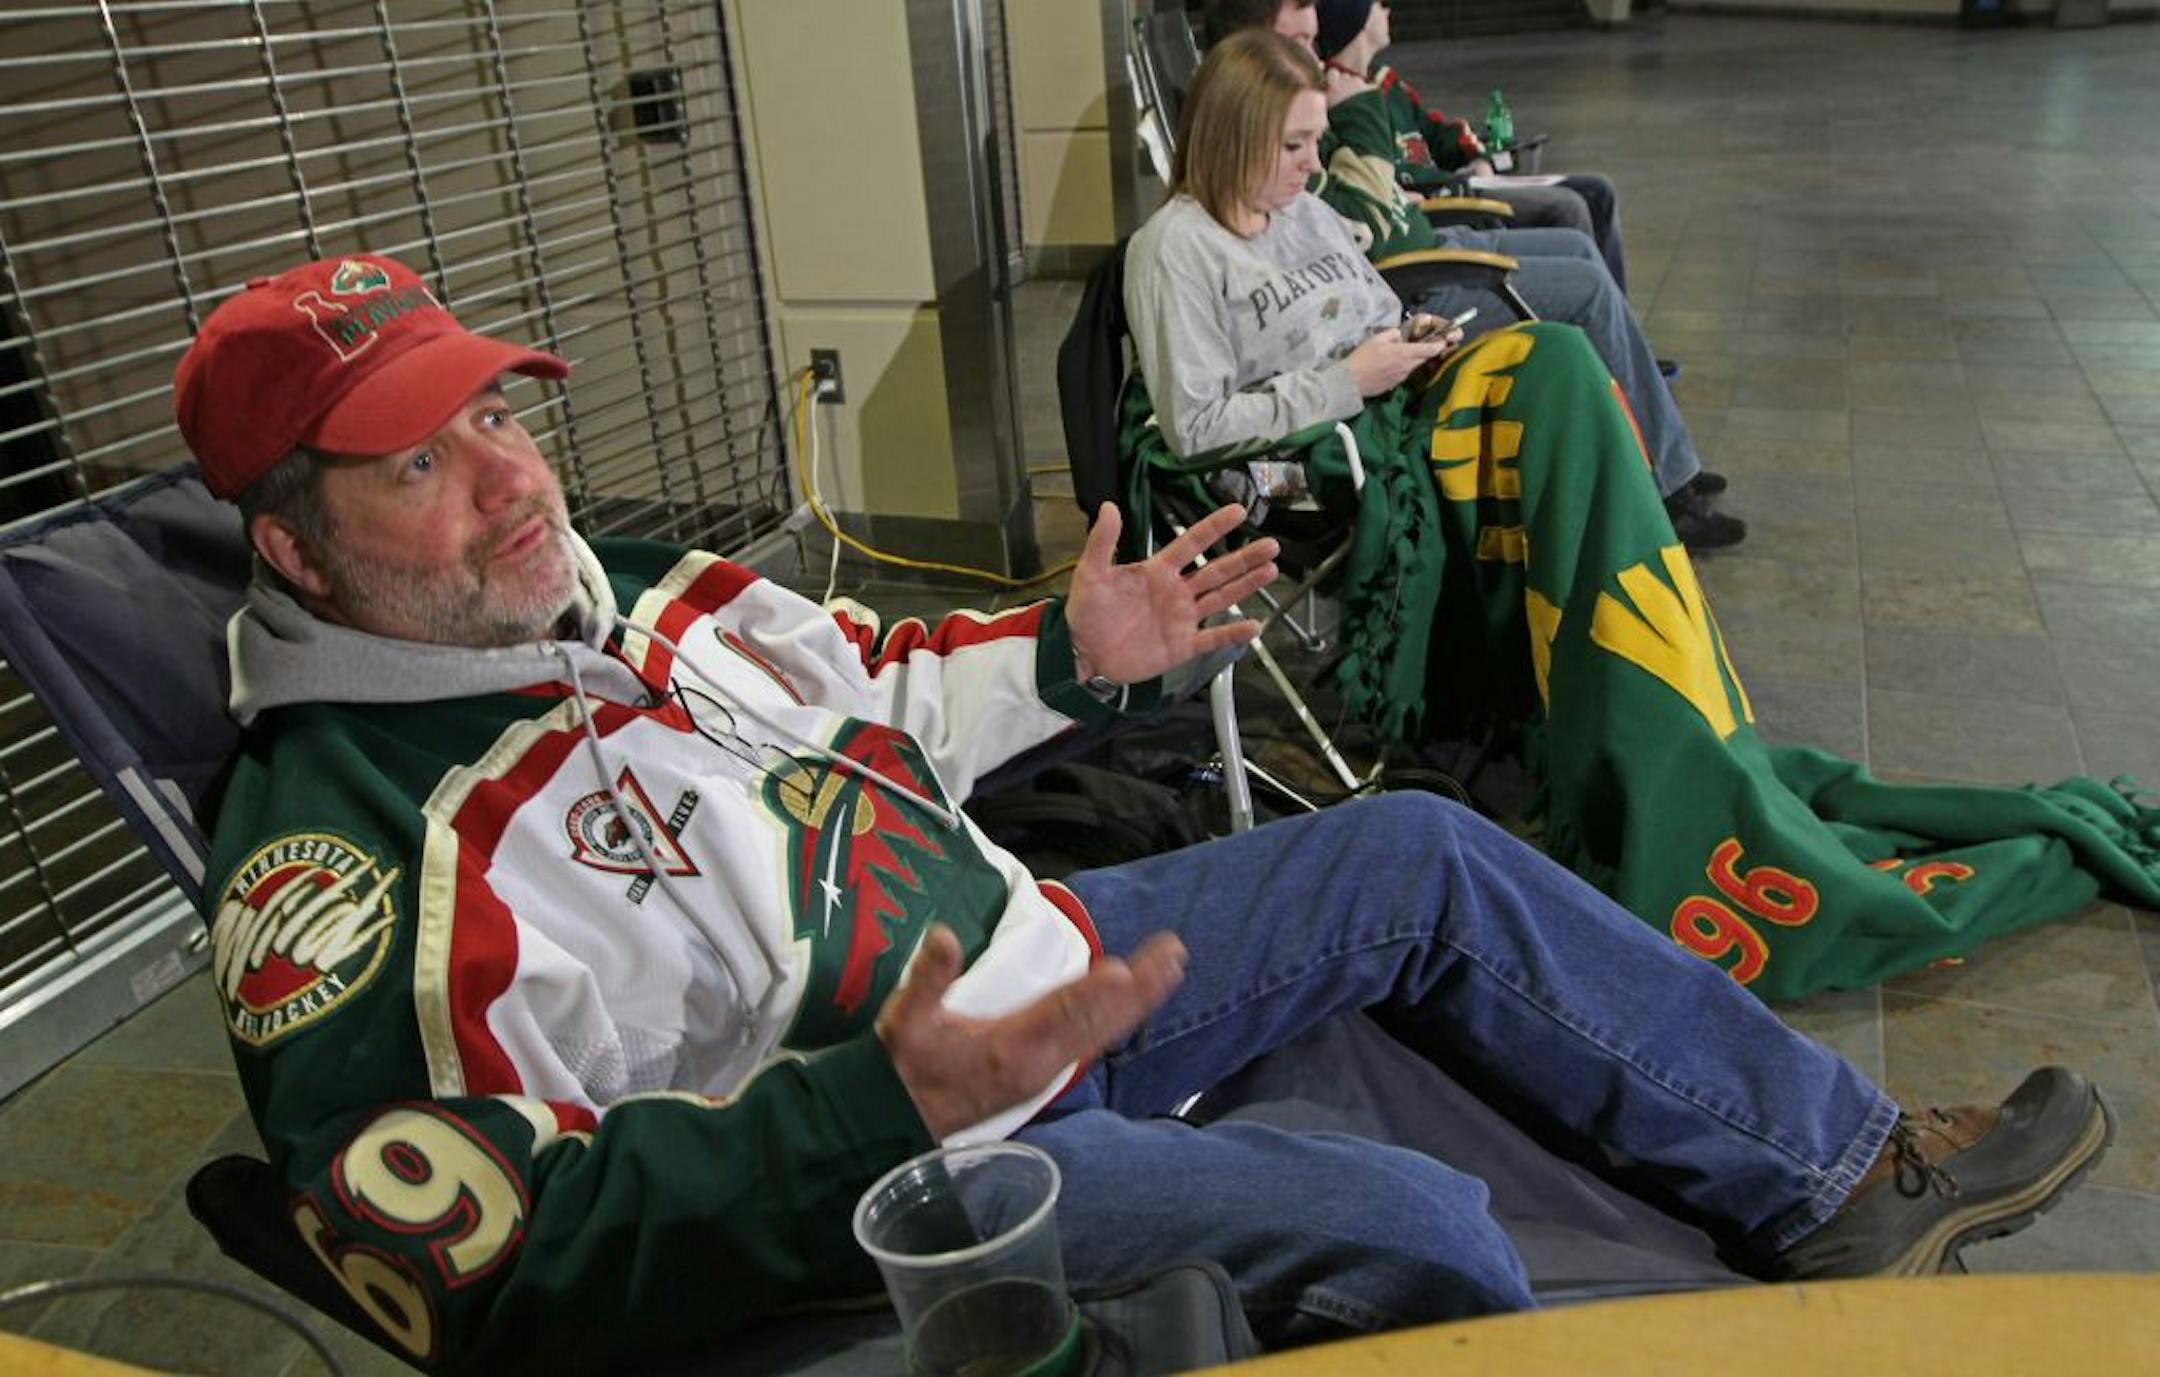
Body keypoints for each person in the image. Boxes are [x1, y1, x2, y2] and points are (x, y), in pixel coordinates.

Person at [173, 252, 2108, 1375]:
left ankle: (1848, 1181)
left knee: (1422, 852)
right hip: (897, 1180)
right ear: (294, 548)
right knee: (1406, 1218)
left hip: (1062, 973)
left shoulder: (630, 583)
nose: (510, 482)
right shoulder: (341, 880)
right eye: (417, 465)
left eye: (496, 413)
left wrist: (1075, 655)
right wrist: (882, 1103)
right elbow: (484, 1272)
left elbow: (888, 687)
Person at [1206, 0, 1740, 549]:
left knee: (1579, 258)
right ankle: (1656, 490)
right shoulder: (1205, 231)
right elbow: (1208, 437)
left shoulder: (1278, 169)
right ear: (1251, 63)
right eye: (1297, 43)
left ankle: (1646, 474)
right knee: (1582, 306)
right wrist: (1362, 123)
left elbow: (1359, 232)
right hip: (1376, 355)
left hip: (1385, 334)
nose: (1314, 59)